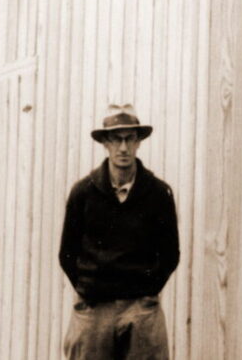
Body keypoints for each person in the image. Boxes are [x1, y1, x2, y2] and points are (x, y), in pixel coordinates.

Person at [59, 104, 180, 360]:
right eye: (116, 139)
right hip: (94, 309)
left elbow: (170, 253)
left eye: (130, 139)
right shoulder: (83, 192)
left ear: (138, 142)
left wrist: (147, 291)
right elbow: (66, 253)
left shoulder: (158, 193)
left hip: (141, 308)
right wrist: (88, 291)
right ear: (106, 143)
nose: (123, 148)